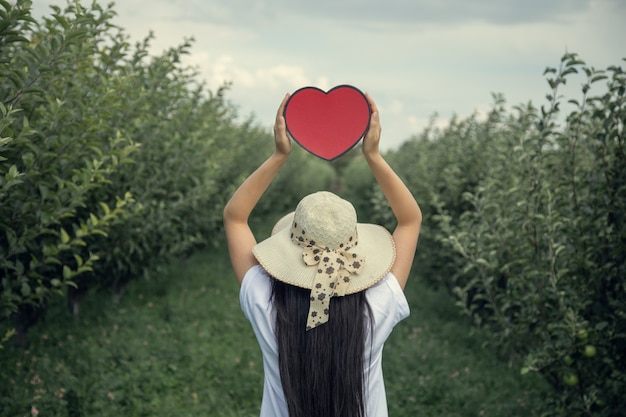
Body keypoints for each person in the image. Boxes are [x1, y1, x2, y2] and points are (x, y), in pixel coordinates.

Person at [223, 92, 422, 417]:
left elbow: (234, 217)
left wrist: (278, 155)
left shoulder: (264, 300)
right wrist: (372, 154)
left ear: (290, 246)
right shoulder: (378, 302)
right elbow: (411, 220)